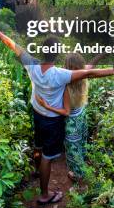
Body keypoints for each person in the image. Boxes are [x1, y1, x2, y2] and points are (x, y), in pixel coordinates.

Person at [0, 20, 114, 205]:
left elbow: (12, 45)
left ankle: (37, 169)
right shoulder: (61, 74)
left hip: (37, 113)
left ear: (41, 51)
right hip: (52, 121)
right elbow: (89, 72)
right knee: (48, 156)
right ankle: (45, 194)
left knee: (38, 145)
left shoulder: (31, 64)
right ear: (56, 56)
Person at [36, 52, 89, 181]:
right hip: (81, 115)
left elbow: (66, 112)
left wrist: (47, 106)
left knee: (73, 148)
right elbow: (93, 64)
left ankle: (78, 175)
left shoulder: (65, 84)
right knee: (81, 143)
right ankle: (83, 165)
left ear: (67, 67)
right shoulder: (83, 76)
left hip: (71, 121)